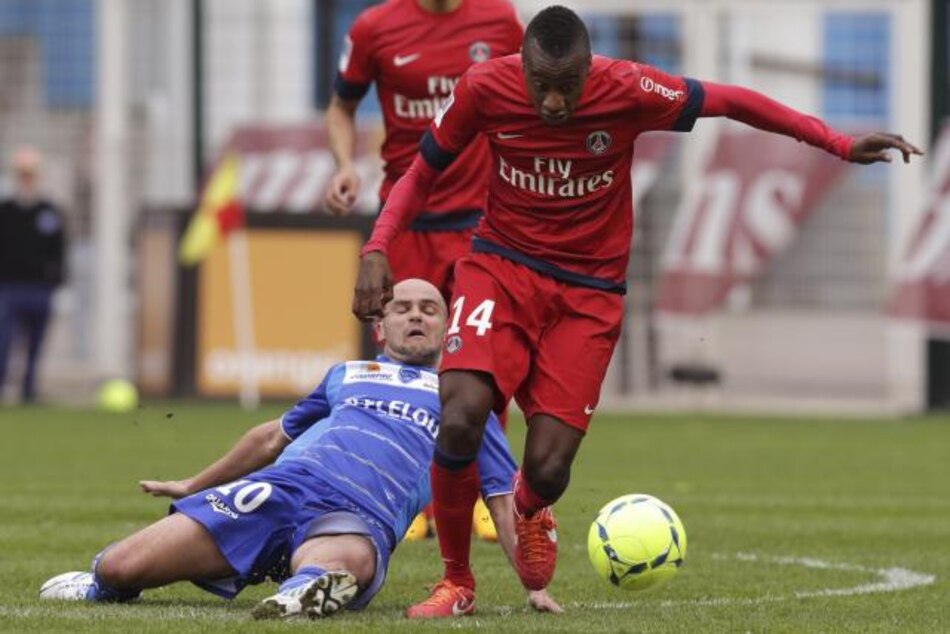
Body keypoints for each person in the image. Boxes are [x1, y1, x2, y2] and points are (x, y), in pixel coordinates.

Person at [351, 5, 924, 618]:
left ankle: (529, 506)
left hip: (588, 292)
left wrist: (834, 141)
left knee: (548, 466)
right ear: (520, 67)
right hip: (500, 268)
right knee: (461, 413)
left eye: (566, 87)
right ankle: (456, 582)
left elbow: (731, 101)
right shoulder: (484, 87)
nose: (551, 102)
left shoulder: (628, 87)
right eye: (539, 85)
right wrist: (378, 246)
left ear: (588, 70)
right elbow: (421, 172)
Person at [39, 279, 560, 619]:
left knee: (343, 557)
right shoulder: (346, 374)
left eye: (430, 309)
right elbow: (272, 436)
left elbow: (498, 495)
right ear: (381, 326)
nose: (416, 316)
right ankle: (104, 583)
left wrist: (533, 583)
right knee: (120, 566)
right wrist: (195, 484)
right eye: (403, 308)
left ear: (449, 331)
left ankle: (305, 589)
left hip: (361, 512)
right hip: (283, 487)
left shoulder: (465, 400)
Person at [325, 0, 523, 542]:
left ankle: (489, 490)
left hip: (481, 221)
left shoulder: (500, 20)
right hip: (406, 218)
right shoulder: (374, 28)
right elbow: (342, 107)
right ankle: (410, 494)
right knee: (402, 360)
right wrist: (345, 165)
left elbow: (527, 99)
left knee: (483, 358)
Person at [0, 146, 67, 404]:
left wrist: (56, 281)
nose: (26, 179)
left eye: (31, 174)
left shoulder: (50, 211)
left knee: (36, 343)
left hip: (40, 288)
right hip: (9, 288)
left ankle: (30, 390)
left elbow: (59, 250)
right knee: (5, 341)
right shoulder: (5, 211)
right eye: (22, 174)